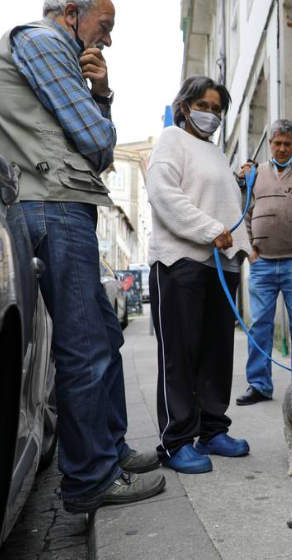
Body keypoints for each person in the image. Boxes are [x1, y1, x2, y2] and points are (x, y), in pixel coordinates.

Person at [0, 0, 165, 513]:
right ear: (72, 11)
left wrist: (102, 92)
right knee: (83, 347)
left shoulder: (62, 52)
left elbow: (96, 153)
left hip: (65, 205)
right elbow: (97, 140)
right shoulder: (43, 41)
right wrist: (99, 102)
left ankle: (108, 453)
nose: (108, 39)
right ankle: (91, 478)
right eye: (105, 26)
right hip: (51, 206)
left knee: (101, 336)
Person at [147, 76, 252, 474]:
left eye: (217, 109)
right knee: (180, 354)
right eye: (204, 106)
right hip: (181, 262)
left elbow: (227, 205)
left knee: (215, 352)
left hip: (220, 267)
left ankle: (212, 429)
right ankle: (175, 441)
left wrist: (242, 245)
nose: (211, 114)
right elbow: (164, 195)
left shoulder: (215, 152)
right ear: (185, 105)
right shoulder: (171, 140)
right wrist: (211, 231)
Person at [235, 119, 292, 405]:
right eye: (276, 143)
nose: (281, 148)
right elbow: (245, 211)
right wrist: (250, 250)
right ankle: (259, 384)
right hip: (262, 264)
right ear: (269, 144)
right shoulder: (255, 174)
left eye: (287, 144)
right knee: (260, 324)